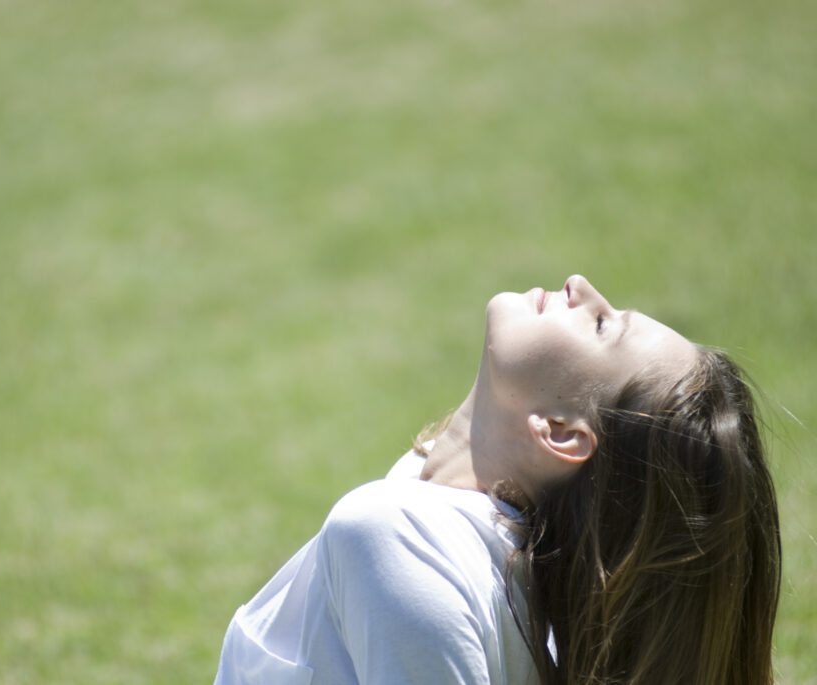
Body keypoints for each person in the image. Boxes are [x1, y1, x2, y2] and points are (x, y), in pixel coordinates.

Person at [214, 275, 781, 685]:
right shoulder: (431, 495)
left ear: (560, 432)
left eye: (603, 325)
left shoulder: (395, 536)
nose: (580, 286)